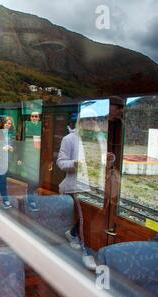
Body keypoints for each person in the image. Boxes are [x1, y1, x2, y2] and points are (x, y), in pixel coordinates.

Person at [56, 107, 107, 271]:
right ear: (81, 121)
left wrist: (109, 161)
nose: (92, 122)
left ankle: (72, 233)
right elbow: (61, 162)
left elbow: (102, 161)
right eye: (88, 119)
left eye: (95, 119)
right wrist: (74, 164)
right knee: (85, 218)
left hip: (94, 185)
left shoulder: (100, 138)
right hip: (76, 186)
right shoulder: (69, 139)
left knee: (91, 216)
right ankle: (86, 253)